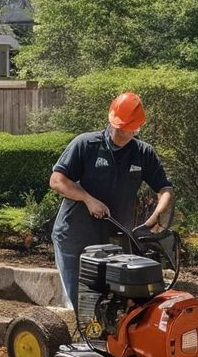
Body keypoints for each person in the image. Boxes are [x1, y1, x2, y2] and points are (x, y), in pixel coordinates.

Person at [48, 92, 175, 309]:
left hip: (115, 239)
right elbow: (57, 181)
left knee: (114, 300)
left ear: (138, 127)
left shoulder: (143, 153)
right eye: (118, 125)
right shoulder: (86, 144)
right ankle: (81, 336)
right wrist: (88, 199)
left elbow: (165, 189)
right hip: (75, 235)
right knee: (80, 301)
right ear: (110, 119)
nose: (120, 131)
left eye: (127, 127)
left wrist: (157, 215)